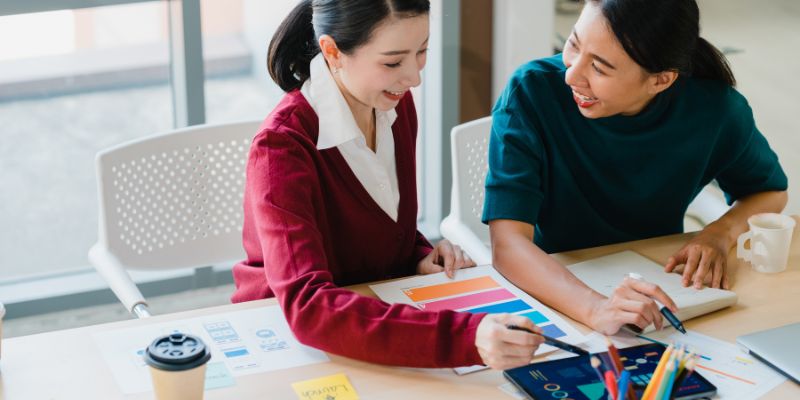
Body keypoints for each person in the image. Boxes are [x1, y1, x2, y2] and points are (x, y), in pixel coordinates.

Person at [231, 0, 543, 370]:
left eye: (422, 51)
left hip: (373, 313)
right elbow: (308, 306)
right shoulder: (281, 148)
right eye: (393, 62)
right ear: (333, 51)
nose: (413, 78)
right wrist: (465, 336)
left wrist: (417, 255)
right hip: (286, 341)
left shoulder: (393, 105)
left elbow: (380, 224)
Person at [484, 0, 788, 336]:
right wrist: (595, 308)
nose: (572, 75)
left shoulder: (715, 109)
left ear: (660, 80)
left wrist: (719, 233)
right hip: (554, 288)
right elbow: (508, 244)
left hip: (660, 283)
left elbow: (769, 192)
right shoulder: (531, 92)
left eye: (599, 68)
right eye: (574, 44)